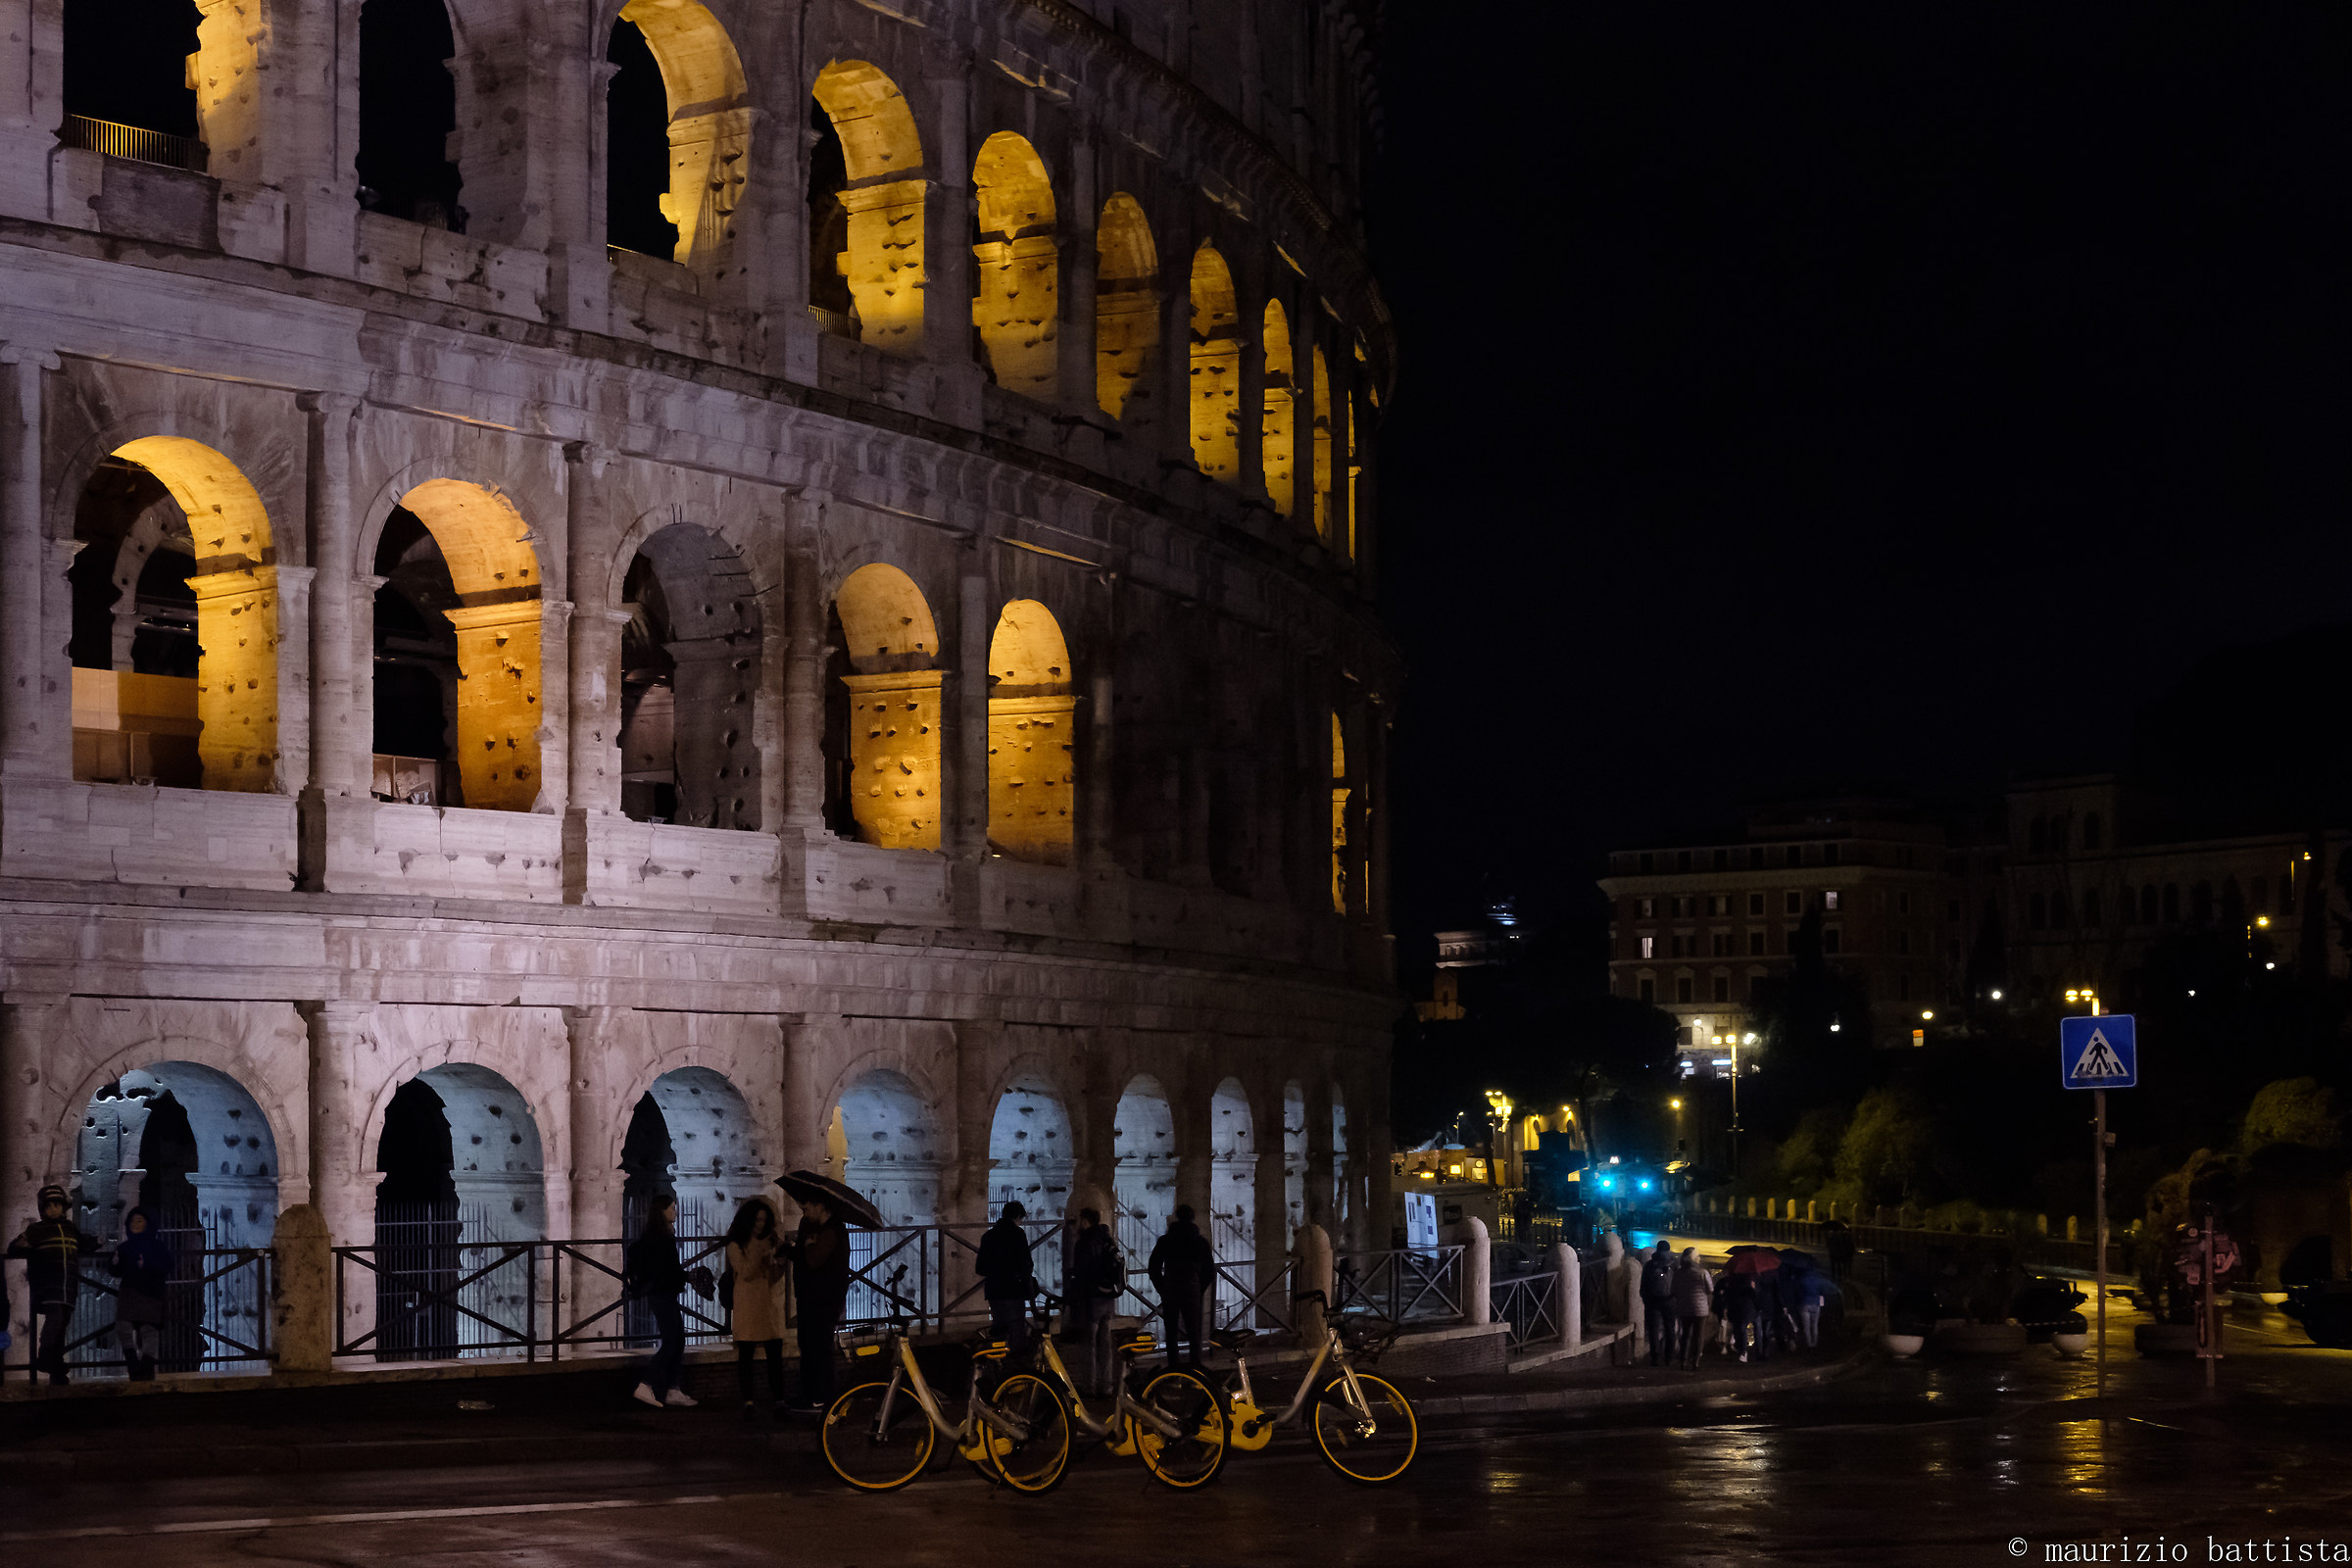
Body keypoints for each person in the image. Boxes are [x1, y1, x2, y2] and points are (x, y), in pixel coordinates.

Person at [8, 1185, 94, 1388]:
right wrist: (19, 1246)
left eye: (57, 1206)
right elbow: (15, 1246)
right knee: (54, 1319)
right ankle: (45, 1355)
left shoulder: (71, 1228)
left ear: (63, 1208)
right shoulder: (37, 1230)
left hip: (68, 1286)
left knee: (62, 1324)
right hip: (48, 1285)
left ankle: (57, 1370)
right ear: (42, 1210)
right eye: (49, 1207)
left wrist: (96, 1242)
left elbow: (82, 1245)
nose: (54, 1210)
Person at [625, 1196, 695, 1409]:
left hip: (663, 1291)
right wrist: (684, 1277)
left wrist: (682, 1277)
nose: (675, 1211)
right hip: (661, 1292)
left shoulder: (659, 1235)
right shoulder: (660, 1238)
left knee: (678, 1339)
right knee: (673, 1340)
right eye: (672, 1208)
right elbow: (665, 1269)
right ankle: (646, 1384)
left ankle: (673, 1389)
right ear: (661, 1211)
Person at [724, 1199, 789, 1419]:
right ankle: (748, 1401)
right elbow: (745, 1272)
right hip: (748, 1303)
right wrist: (760, 1254)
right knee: (746, 1355)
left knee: (775, 1355)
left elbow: (777, 1276)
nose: (760, 1224)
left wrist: (777, 1263)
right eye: (757, 1220)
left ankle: (779, 1400)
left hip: (769, 1304)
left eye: (764, 1220)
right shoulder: (735, 1244)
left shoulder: (771, 1241)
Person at [788, 1194, 851, 1411]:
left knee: (820, 1348)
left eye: (806, 1208)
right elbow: (802, 1256)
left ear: (820, 1205)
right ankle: (809, 1394)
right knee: (807, 1345)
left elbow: (814, 1261)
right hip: (808, 1295)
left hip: (825, 1299)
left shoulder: (833, 1230)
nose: (804, 1213)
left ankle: (822, 1398)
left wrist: (808, 1246)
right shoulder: (810, 1225)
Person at [1147, 1204, 1215, 1367]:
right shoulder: (1199, 1242)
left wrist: (1162, 1287)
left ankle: (1174, 1370)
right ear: (1192, 1218)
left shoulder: (1166, 1241)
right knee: (1194, 1332)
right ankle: (1195, 1369)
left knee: (1171, 1332)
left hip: (1171, 1288)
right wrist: (1199, 1288)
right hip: (1191, 1289)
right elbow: (1209, 1271)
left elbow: (1153, 1267)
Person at [1064, 1208, 1122, 1396]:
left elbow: (1082, 1275)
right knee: (1105, 1344)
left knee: (1089, 1345)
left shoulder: (1085, 1242)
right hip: (1108, 1298)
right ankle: (1107, 1386)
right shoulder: (1108, 1239)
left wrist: (1072, 1300)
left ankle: (1089, 1386)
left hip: (1092, 1299)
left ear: (1086, 1221)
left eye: (1081, 1220)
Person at [113, 1206, 174, 1382]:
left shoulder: (158, 1246)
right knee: (123, 1326)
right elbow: (115, 1270)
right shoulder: (124, 1247)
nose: (135, 1224)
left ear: (148, 1224)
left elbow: (168, 1266)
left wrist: (147, 1265)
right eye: (132, 1221)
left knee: (149, 1330)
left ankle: (147, 1368)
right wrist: (115, 1262)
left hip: (151, 1293)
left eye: (139, 1220)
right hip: (129, 1293)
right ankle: (132, 1362)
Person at [975, 1200, 1037, 1354]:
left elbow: (980, 1268)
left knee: (999, 1327)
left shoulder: (988, 1236)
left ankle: (998, 1363)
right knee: (1016, 1329)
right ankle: (1016, 1366)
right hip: (1013, 1289)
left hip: (994, 1290)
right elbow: (1027, 1264)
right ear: (1017, 1216)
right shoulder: (1018, 1234)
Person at [1671, 1247, 1713, 1370]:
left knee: (1685, 1335)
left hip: (1684, 1308)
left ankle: (1683, 1361)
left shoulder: (1679, 1273)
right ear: (1695, 1259)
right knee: (1699, 1335)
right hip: (1701, 1310)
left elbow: (1674, 1290)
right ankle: (1696, 1361)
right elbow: (1710, 1289)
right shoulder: (1703, 1273)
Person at [1639, 1240, 1677, 1367]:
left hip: (1653, 1301)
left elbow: (1643, 1284)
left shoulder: (1650, 1265)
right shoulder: (1674, 1264)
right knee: (1670, 1330)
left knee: (1654, 1330)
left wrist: (1646, 1299)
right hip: (1670, 1301)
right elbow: (1679, 1283)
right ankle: (1669, 1358)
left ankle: (1655, 1358)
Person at [1790, 1258, 1825, 1349]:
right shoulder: (1818, 1278)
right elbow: (1822, 1290)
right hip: (1816, 1303)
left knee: (1806, 1326)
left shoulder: (1801, 1278)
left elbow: (1797, 1291)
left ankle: (1809, 1344)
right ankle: (1815, 1343)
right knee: (1815, 1325)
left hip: (1805, 1303)